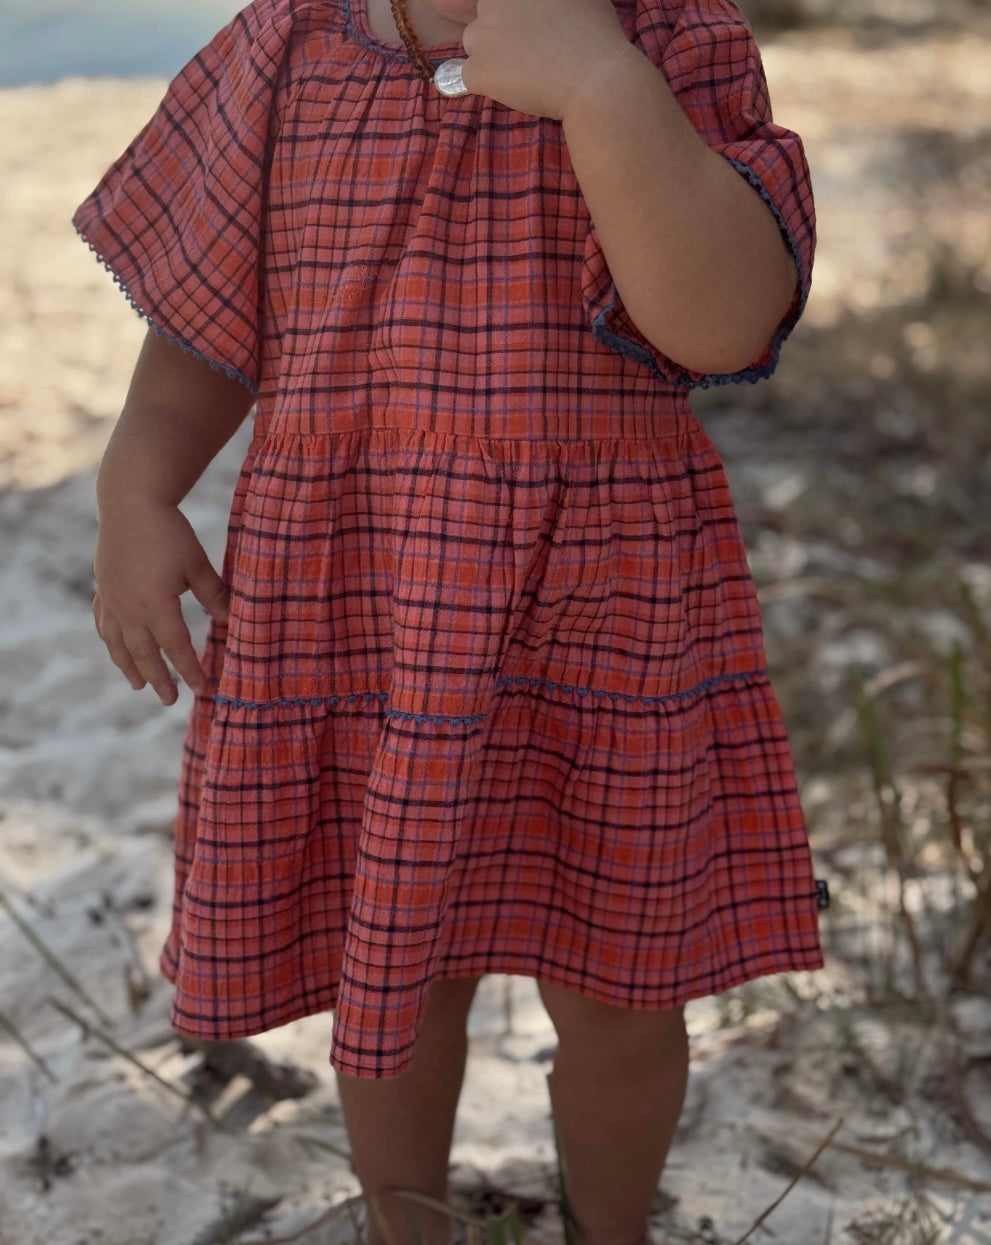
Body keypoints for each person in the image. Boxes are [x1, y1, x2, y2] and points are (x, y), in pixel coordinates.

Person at [74, 1, 827, 1242]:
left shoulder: (675, 38)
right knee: (395, 964)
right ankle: (403, 1218)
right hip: (361, 593)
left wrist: (599, 84)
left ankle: (613, 1227)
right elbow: (210, 324)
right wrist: (136, 490)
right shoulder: (283, 50)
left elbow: (721, 321)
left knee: (620, 987)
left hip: (602, 604)